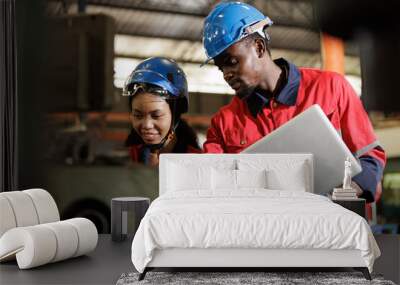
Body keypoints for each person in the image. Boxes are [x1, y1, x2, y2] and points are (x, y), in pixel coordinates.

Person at [201, 2, 386, 202]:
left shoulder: (331, 88)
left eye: (232, 62)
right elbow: (214, 186)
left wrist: (342, 195)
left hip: (332, 223)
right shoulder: (223, 123)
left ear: (259, 47)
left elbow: (370, 158)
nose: (227, 74)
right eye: (221, 68)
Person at [123, 57, 201, 166]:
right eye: (138, 115)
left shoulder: (198, 165)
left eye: (156, 115)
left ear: (176, 113)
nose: (147, 125)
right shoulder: (126, 160)